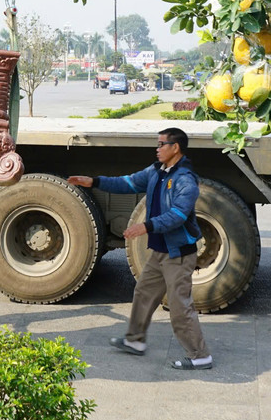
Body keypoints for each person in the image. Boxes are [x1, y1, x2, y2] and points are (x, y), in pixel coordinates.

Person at [69, 126, 213, 371]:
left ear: (175, 148)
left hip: (178, 254)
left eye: (161, 144)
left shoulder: (185, 180)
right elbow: (128, 183)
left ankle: (200, 355)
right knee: (144, 293)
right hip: (160, 252)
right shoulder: (157, 171)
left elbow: (178, 215)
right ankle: (135, 341)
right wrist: (94, 182)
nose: (157, 149)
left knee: (179, 307)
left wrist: (145, 226)